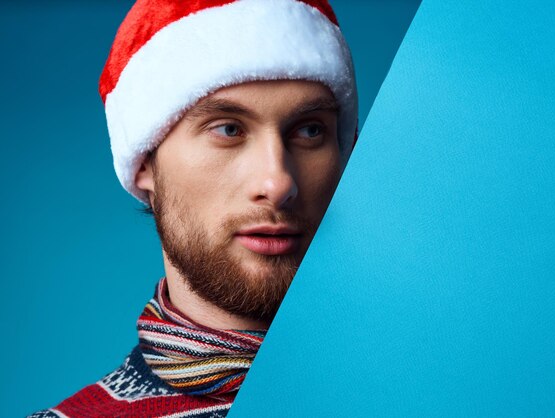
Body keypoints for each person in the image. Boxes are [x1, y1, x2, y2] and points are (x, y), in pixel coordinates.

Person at [29, 0, 357, 416]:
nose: (278, 184)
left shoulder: (439, 385)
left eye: (310, 130)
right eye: (228, 129)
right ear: (145, 161)